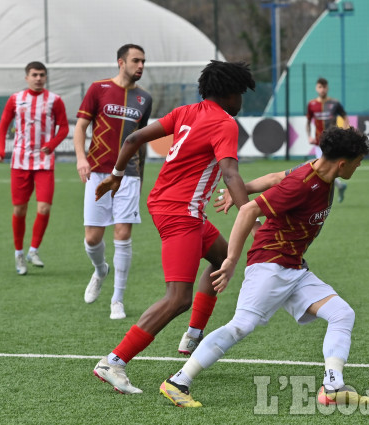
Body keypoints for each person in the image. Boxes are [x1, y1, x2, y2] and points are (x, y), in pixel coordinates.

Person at [160, 127, 369, 408]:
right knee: (241, 326)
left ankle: (332, 387)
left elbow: (275, 177)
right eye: (358, 161)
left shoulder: (318, 171)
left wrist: (242, 188)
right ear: (342, 163)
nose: (359, 166)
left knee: (341, 314)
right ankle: (178, 382)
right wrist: (230, 261)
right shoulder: (303, 183)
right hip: (270, 263)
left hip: (294, 268)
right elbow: (249, 211)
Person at [91, 60, 256, 394]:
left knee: (223, 256)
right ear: (228, 93)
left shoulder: (186, 111)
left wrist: (116, 176)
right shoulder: (224, 122)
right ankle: (115, 361)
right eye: (241, 93)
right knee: (177, 297)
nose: (242, 101)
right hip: (180, 212)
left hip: (169, 204)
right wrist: (250, 212)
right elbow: (230, 173)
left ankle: (194, 335)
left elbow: (133, 137)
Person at [73, 44, 153, 320]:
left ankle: (117, 300)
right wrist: (81, 158)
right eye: (135, 60)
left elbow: (141, 141)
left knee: (123, 234)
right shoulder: (98, 89)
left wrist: (141, 179)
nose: (140, 65)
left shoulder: (145, 98)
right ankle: (99, 270)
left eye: (143, 61)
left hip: (128, 175)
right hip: (97, 172)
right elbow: (81, 127)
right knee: (92, 238)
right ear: (121, 62)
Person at [0, 61, 69, 275]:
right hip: (20, 161)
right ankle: (19, 253)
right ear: (27, 77)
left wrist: (52, 144)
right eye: (34, 75)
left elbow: (64, 127)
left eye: (42, 75)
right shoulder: (16, 99)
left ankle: (33, 250)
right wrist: (0, 150)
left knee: (44, 207)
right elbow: (3, 126)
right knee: (20, 209)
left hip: (44, 161)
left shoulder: (55, 100)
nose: (38, 78)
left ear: (46, 77)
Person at [306, 77, 350, 202]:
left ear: (327, 88)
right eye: (320, 87)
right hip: (319, 142)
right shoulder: (311, 104)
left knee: (324, 168)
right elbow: (308, 122)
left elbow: (345, 117)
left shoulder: (334, 103)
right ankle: (339, 186)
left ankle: (324, 194)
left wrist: (345, 132)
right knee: (323, 168)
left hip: (333, 142)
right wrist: (309, 136)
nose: (322, 89)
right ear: (316, 88)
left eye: (324, 87)